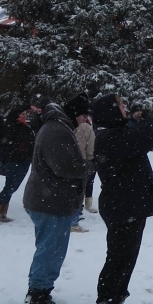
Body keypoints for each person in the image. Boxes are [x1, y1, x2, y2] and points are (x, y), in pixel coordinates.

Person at [91, 91, 153, 304]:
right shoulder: (111, 137)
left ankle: (117, 302)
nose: (124, 108)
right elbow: (150, 135)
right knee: (117, 258)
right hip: (121, 206)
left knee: (127, 258)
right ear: (110, 111)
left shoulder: (119, 133)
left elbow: (141, 135)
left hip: (130, 205)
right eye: (120, 105)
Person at [21, 98, 88, 304]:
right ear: (74, 113)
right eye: (83, 115)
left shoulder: (56, 126)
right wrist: (89, 167)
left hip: (48, 199)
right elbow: (64, 167)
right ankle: (38, 296)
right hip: (51, 202)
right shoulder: (57, 130)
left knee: (48, 248)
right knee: (52, 250)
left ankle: (38, 290)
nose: (85, 119)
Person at [0, 104, 35, 223]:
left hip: (23, 161)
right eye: (22, 114)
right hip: (13, 161)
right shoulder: (12, 125)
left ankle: (2, 213)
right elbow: (14, 113)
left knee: (12, 187)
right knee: (10, 187)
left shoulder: (27, 127)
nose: (24, 115)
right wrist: (27, 106)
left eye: (25, 114)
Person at [64, 94, 93, 232]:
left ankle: (70, 219)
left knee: (74, 192)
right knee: (76, 193)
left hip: (75, 164)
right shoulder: (84, 127)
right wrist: (89, 162)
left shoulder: (64, 125)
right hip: (79, 164)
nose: (83, 118)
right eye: (82, 114)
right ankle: (73, 221)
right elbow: (90, 147)